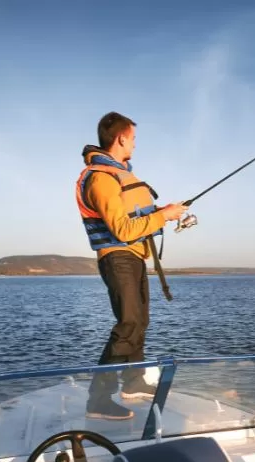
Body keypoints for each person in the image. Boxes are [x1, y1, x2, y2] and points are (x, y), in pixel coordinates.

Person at [75, 111, 188, 420]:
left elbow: (133, 219)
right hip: (118, 256)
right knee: (127, 323)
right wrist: (163, 216)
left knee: (139, 321)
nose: (135, 145)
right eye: (134, 139)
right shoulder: (101, 178)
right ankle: (98, 399)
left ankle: (133, 381)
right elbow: (122, 230)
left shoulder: (117, 174)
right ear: (121, 138)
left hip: (134, 256)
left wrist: (162, 211)